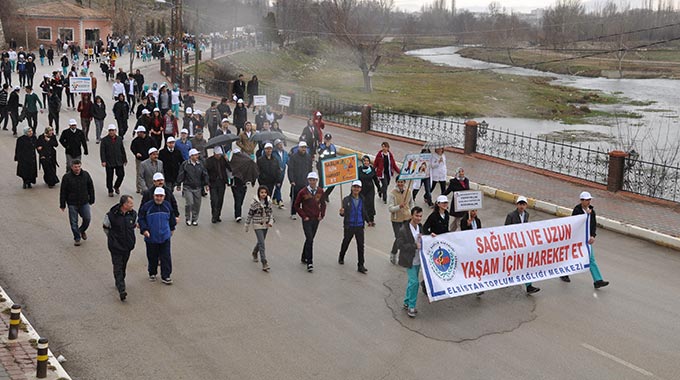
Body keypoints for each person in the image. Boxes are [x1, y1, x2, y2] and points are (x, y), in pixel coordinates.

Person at [562, 192, 610, 289]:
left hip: (587, 239)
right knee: (571, 256)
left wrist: (593, 235)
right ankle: (564, 273)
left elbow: (593, 224)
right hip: (577, 239)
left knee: (591, 258)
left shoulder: (592, 211)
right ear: (581, 201)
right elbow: (575, 223)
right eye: (586, 200)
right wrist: (586, 216)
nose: (588, 202)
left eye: (589, 200)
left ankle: (598, 280)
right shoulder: (577, 210)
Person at [138, 187, 176, 284]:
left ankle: (166, 276)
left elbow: (172, 218)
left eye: (161, 196)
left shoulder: (167, 206)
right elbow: (141, 219)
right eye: (157, 196)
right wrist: (144, 230)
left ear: (164, 197)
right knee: (152, 256)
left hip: (165, 236)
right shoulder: (147, 207)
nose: (159, 198)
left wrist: (172, 228)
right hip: (151, 237)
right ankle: (152, 272)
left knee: (166, 257)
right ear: (153, 196)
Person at [103, 195, 137, 301]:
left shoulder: (133, 214)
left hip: (127, 246)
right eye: (130, 203)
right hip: (115, 246)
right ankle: (121, 289)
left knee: (123, 265)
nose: (132, 205)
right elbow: (106, 227)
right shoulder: (111, 215)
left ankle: (119, 280)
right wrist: (112, 239)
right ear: (124, 204)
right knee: (118, 266)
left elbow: (134, 225)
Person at [505, 196, 540, 294]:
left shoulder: (526, 215)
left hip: (523, 245)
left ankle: (529, 286)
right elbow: (505, 230)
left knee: (525, 265)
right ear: (517, 205)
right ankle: (504, 279)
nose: (522, 206)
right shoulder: (511, 216)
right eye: (520, 204)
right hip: (513, 245)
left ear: (526, 206)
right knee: (510, 265)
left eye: (523, 204)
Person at [294, 172, 326, 272]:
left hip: (316, 219)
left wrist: (322, 214)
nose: (312, 182)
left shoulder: (320, 191)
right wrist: (303, 216)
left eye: (314, 180)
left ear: (317, 181)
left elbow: (323, 204)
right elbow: (296, 205)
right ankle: (310, 262)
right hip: (307, 219)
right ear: (308, 181)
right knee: (310, 239)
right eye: (311, 180)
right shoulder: (303, 192)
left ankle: (304, 256)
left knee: (310, 239)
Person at [59, 160, 95, 246]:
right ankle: (77, 238)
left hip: (84, 202)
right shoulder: (67, 177)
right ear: (72, 167)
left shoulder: (85, 175)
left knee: (87, 218)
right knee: (73, 222)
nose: (77, 168)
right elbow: (63, 191)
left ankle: (81, 230)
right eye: (75, 167)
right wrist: (62, 204)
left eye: (79, 166)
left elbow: (90, 187)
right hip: (72, 203)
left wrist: (92, 198)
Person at [397, 206, 424, 318]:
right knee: (414, 283)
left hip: (418, 260)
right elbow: (400, 245)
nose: (418, 218)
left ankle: (407, 301)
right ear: (412, 215)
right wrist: (414, 246)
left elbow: (424, 237)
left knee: (411, 282)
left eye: (420, 216)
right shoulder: (404, 229)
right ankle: (411, 306)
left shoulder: (420, 227)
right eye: (416, 215)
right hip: (409, 260)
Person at [338, 180, 368, 273]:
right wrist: (341, 213)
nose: (356, 189)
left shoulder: (362, 199)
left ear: (360, 189)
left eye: (358, 187)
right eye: (354, 187)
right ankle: (341, 256)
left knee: (360, 246)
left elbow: (364, 211)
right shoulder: (346, 199)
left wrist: (368, 220)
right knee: (346, 242)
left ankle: (361, 265)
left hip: (359, 226)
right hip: (349, 225)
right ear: (351, 188)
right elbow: (343, 214)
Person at [176, 148, 209, 226]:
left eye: (197, 155)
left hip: (198, 187)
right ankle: (188, 218)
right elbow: (181, 174)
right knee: (189, 203)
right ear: (191, 156)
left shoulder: (200, 164)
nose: (197, 156)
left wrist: (206, 184)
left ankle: (195, 219)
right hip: (188, 187)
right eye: (195, 155)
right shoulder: (185, 164)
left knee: (197, 204)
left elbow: (205, 174)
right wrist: (178, 184)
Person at [245, 186, 274, 271]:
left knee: (261, 241)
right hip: (257, 224)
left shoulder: (268, 202)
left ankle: (254, 252)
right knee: (262, 243)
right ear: (258, 193)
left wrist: (271, 221)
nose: (263, 194)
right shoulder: (254, 203)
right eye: (262, 192)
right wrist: (247, 224)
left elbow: (270, 213)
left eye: (265, 192)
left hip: (266, 224)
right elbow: (250, 214)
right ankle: (264, 262)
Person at [388, 177, 414, 265]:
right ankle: (393, 252)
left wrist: (412, 213)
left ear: (404, 182)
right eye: (398, 182)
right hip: (396, 219)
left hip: (406, 218)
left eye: (402, 182)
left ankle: (402, 257)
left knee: (406, 238)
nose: (400, 184)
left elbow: (411, 203)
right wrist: (399, 206)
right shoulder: (392, 194)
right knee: (398, 237)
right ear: (396, 182)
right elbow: (390, 208)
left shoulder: (409, 192)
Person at [287, 141, 313, 220]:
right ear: (299, 148)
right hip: (296, 181)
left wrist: (310, 180)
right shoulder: (294, 157)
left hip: (305, 182)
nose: (303, 149)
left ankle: (304, 213)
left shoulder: (308, 157)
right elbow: (290, 169)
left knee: (306, 198)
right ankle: (293, 213)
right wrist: (292, 180)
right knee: (295, 198)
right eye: (302, 147)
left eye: (305, 147)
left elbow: (310, 169)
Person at [100, 125, 127, 197]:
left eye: (113, 130)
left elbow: (122, 149)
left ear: (115, 131)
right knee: (109, 176)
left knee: (121, 175)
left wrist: (124, 159)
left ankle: (116, 186)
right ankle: (110, 190)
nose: (111, 132)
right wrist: (103, 161)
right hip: (109, 161)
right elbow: (102, 151)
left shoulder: (119, 139)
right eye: (110, 130)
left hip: (119, 160)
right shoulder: (104, 140)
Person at [205, 146, 231, 223]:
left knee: (220, 199)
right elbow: (206, 171)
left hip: (222, 182)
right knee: (214, 200)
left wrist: (227, 160)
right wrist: (206, 182)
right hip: (213, 182)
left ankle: (218, 215)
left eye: (220, 154)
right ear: (214, 154)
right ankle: (214, 215)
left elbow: (230, 168)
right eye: (217, 154)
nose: (219, 156)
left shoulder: (223, 159)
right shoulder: (209, 161)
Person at [443, 167, 470, 231]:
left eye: (463, 172)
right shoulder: (453, 182)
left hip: (464, 203)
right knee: (459, 220)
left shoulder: (466, 180)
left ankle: (451, 231)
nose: (462, 174)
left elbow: (468, 191)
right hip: (457, 204)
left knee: (458, 219)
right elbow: (448, 191)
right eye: (460, 172)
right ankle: (460, 232)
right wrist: (441, 197)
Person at [358, 155, 381, 226]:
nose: (366, 162)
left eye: (367, 161)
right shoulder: (359, 170)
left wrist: (379, 188)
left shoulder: (372, 169)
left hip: (370, 190)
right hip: (361, 190)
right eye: (364, 161)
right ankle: (365, 219)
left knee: (370, 204)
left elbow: (375, 179)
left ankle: (371, 219)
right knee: (363, 205)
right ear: (362, 162)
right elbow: (355, 180)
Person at [272, 139, 288, 208]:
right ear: (276, 146)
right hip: (275, 172)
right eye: (279, 144)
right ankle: (279, 200)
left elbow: (288, 161)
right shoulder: (274, 153)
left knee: (279, 186)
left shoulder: (285, 153)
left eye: (281, 144)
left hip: (282, 172)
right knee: (277, 186)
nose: (281, 145)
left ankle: (274, 198)